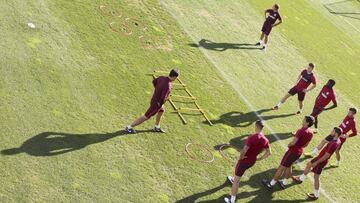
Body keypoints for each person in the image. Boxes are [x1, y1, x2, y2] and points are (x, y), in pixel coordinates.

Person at [224, 120, 272, 203]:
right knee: (238, 173)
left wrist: (240, 158)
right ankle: (233, 178)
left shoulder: (252, 137)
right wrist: (259, 158)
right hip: (252, 161)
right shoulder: (265, 140)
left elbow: (244, 150)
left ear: (256, 126)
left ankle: (232, 200)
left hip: (244, 161)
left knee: (237, 181)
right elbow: (269, 153)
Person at [262, 116, 314, 189]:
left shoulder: (301, 130)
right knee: (289, 166)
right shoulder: (311, 132)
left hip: (292, 152)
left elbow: (293, 142)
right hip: (299, 152)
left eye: (304, 120)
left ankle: (271, 184)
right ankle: (284, 183)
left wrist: (289, 145)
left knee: (281, 167)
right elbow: (306, 145)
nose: (302, 120)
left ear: (307, 123)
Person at [292, 127, 342, 200]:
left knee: (316, 177)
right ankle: (300, 179)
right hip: (320, 158)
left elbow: (326, 156)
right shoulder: (338, 140)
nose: (331, 132)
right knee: (309, 164)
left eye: (333, 131)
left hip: (321, 161)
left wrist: (316, 162)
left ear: (336, 134)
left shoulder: (333, 144)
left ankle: (316, 195)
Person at [125, 69, 180, 134]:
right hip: (157, 104)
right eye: (176, 77)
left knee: (162, 110)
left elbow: (154, 82)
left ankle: (157, 127)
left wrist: (157, 90)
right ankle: (129, 127)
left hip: (154, 99)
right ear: (174, 76)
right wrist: (162, 102)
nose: (176, 79)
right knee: (146, 116)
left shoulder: (161, 77)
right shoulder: (168, 85)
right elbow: (163, 98)